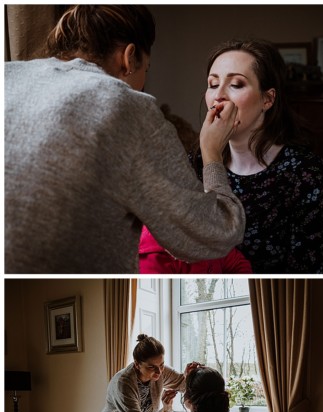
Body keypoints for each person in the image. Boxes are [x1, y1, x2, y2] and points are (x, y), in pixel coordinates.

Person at [5, 5, 245, 273]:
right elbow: (216, 234)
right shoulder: (128, 106)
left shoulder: (8, 75)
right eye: (147, 69)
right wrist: (212, 151)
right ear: (129, 58)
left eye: (236, 84)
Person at [195, 39, 323, 273]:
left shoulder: (304, 174)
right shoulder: (197, 161)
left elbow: (308, 270)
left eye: (236, 84)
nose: (219, 96)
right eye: (213, 83)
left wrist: (211, 153)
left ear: (267, 99)